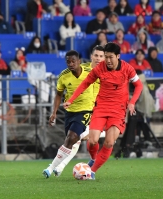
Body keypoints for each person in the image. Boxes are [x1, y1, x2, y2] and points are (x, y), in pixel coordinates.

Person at [63, 42, 143, 180]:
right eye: (106, 57)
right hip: (101, 107)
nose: (107, 60)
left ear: (118, 56)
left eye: (110, 57)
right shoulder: (100, 68)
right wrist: (71, 99)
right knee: (92, 141)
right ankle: (94, 159)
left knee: (109, 142)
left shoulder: (127, 68)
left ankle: (92, 171)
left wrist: (132, 103)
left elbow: (139, 85)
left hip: (118, 110)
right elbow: (86, 83)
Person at [50, 46, 105, 177]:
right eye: (96, 55)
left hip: (95, 109)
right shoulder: (84, 70)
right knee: (76, 140)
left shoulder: (107, 72)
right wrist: (55, 111)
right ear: (91, 56)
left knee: (77, 138)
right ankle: (61, 167)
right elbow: (61, 93)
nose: (98, 58)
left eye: (101, 56)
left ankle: (57, 167)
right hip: (74, 110)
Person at [42, 50, 95, 178]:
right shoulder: (63, 76)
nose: (71, 64)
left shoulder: (90, 74)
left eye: (73, 61)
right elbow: (58, 94)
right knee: (71, 141)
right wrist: (54, 113)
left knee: (71, 138)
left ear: (79, 62)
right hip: (70, 112)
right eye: (68, 62)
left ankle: (51, 167)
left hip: (85, 110)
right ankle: (59, 167)